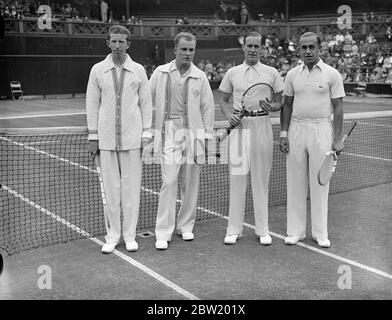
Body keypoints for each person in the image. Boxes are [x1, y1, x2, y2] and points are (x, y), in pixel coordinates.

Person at [86, 25, 153, 253]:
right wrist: (93, 135)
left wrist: (146, 133)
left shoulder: (139, 70)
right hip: (105, 141)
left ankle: (130, 236)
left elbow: (146, 104)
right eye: (113, 41)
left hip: (132, 140)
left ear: (128, 44)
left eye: (121, 42)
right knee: (111, 191)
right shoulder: (97, 70)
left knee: (131, 191)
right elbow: (92, 104)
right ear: (108, 43)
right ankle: (112, 236)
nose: (117, 46)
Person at [149, 32, 215, 250]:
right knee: (168, 182)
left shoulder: (201, 76)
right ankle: (163, 231)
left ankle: (185, 226)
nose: (188, 53)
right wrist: (148, 132)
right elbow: (145, 100)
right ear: (175, 50)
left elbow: (207, 108)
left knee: (190, 183)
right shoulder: (160, 73)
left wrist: (206, 137)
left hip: (193, 134)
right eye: (184, 49)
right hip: (169, 132)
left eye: (191, 49)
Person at [279, 32, 345, 248]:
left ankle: (320, 233)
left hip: (321, 130)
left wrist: (337, 139)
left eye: (311, 47)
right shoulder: (291, 75)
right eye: (303, 47)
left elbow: (338, 108)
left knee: (320, 182)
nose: (307, 51)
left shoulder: (332, 74)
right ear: (299, 49)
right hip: (297, 129)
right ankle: (295, 231)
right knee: (295, 181)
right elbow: (287, 106)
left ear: (319, 49)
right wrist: (284, 134)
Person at [218, 31, 284, 245]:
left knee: (261, 180)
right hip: (239, 128)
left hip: (262, 125)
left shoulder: (272, 72)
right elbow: (224, 100)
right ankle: (233, 229)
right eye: (250, 46)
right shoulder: (233, 73)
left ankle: (262, 230)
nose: (253, 49)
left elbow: (279, 102)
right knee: (237, 180)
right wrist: (230, 118)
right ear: (243, 47)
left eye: (257, 46)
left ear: (261, 48)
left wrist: (271, 106)